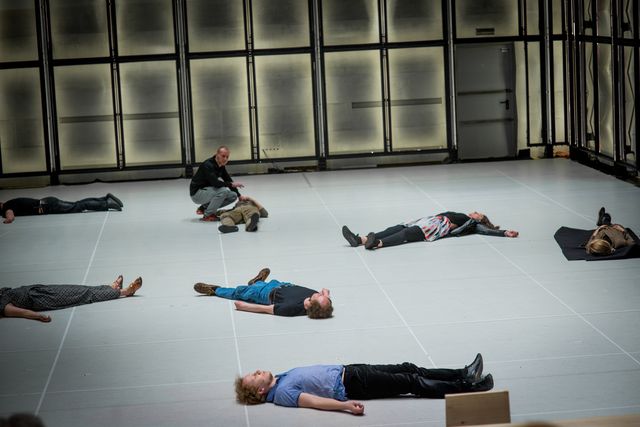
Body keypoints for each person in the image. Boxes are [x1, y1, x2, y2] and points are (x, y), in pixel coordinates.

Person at [235, 354, 493, 415]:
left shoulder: (278, 379)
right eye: (255, 375)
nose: (257, 371)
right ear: (261, 390)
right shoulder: (282, 393)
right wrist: (345, 406)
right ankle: (468, 387)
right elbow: (313, 402)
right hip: (354, 384)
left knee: (410, 368)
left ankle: (463, 372)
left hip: (350, 370)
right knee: (411, 382)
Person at [193, 268, 333, 319]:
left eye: (320, 296)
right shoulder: (321, 303)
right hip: (282, 285)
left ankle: (215, 290)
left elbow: (266, 309)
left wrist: (243, 307)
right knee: (261, 284)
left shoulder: (291, 308)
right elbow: (325, 291)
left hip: (265, 294)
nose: (321, 293)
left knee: (240, 291)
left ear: (310, 305)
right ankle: (257, 281)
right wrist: (325, 297)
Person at [342, 211, 519, 250]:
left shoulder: (472, 223)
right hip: (429, 220)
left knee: (406, 234)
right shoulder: (465, 216)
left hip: (436, 227)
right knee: (396, 228)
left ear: (480, 219)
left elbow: (484, 231)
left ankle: (377, 243)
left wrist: (503, 232)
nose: (474, 212)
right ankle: (360, 240)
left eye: (478, 214)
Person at [1, 276, 142, 322]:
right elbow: (22, 312)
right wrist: (40, 317)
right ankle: (124, 292)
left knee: (81, 289)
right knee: (85, 295)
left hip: (40, 290)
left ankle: (111, 288)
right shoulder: (1, 305)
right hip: (44, 298)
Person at [190, 146, 245, 222]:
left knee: (233, 195)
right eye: (223, 156)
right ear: (217, 155)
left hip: (207, 191)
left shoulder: (221, 166)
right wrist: (231, 184)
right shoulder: (207, 165)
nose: (225, 159)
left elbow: (228, 179)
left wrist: (239, 195)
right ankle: (208, 215)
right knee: (223, 191)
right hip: (197, 194)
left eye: (227, 157)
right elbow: (215, 183)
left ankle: (204, 207)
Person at [1, 193, 123, 224]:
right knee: (77, 204)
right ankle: (104, 199)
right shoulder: (10, 202)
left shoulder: (7, 206)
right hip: (48, 202)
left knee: (78, 206)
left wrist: (7, 219)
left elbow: (10, 215)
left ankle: (107, 203)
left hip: (48, 206)